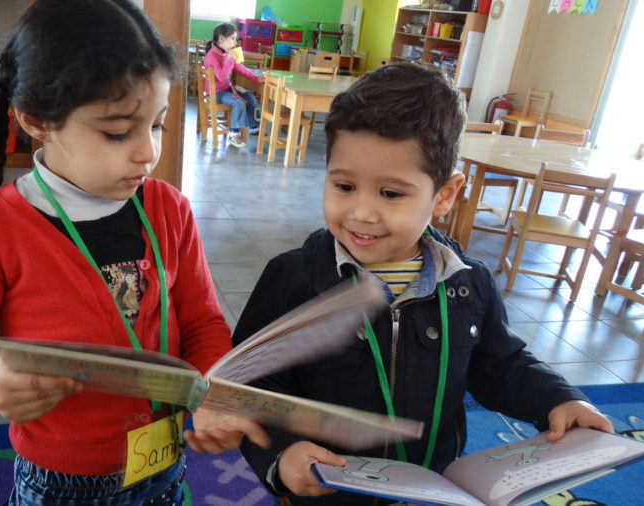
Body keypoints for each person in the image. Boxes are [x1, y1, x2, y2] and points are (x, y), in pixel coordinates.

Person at [0, 1, 268, 504]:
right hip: (60, 480)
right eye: (118, 131)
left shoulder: (169, 209)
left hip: (163, 460)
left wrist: (210, 391)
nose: (148, 151)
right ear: (38, 120)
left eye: (158, 125)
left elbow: (202, 323)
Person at [232, 63, 613, 506]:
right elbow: (252, 389)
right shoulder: (293, 279)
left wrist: (557, 399)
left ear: (445, 195)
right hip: (328, 489)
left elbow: (501, 363)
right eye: (344, 185)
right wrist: (281, 457)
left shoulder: (468, 285)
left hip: (432, 487)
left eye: (391, 194)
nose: (362, 212)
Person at [203, 23, 264, 148]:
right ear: (221, 39)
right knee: (238, 103)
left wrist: (257, 78)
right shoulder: (212, 56)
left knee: (248, 94)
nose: (235, 43)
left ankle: (253, 128)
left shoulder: (225, 53)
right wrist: (230, 60)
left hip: (226, 89)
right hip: (216, 93)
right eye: (233, 39)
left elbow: (240, 67)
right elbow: (221, 76)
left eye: (235, 39)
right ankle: (233, 134)